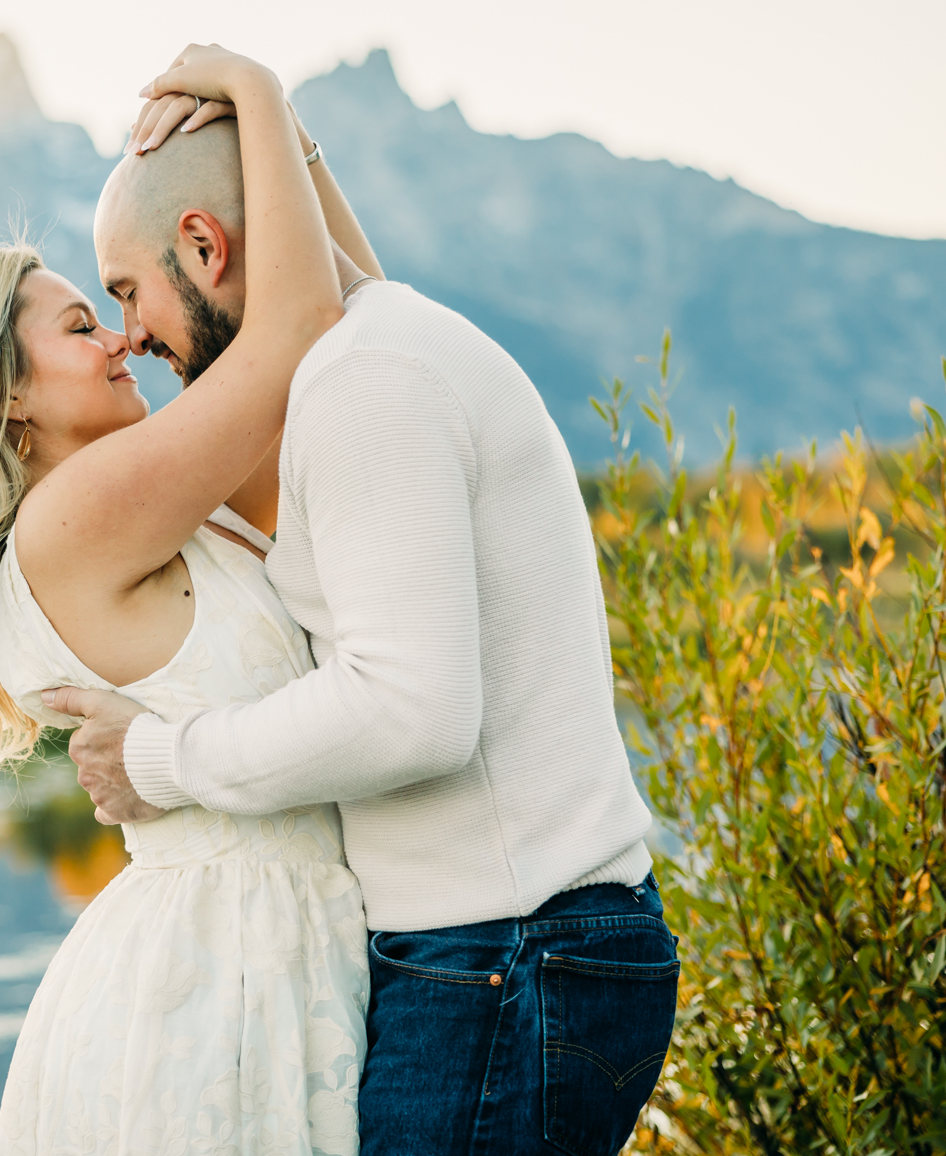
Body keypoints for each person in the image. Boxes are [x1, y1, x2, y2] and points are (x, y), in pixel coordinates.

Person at [47, 80, 682, 1155]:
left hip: (506, 955)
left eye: (124, 291)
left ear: (202, 246)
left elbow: (412, 708)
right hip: (513, 953)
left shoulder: (363, 384)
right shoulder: (370, 353)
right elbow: (330, 295)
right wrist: (274, 122)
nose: (128, 335)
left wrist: (160, 760)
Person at [0, 44, 380, 1154]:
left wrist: (291, 144)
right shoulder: (67, 522)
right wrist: (258, 97)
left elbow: (358, 336)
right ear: (5, 398)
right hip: (218, 978)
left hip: (280, 944)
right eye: (84, 326)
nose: (126, 334)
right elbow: (299, 331)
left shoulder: (173, 505)